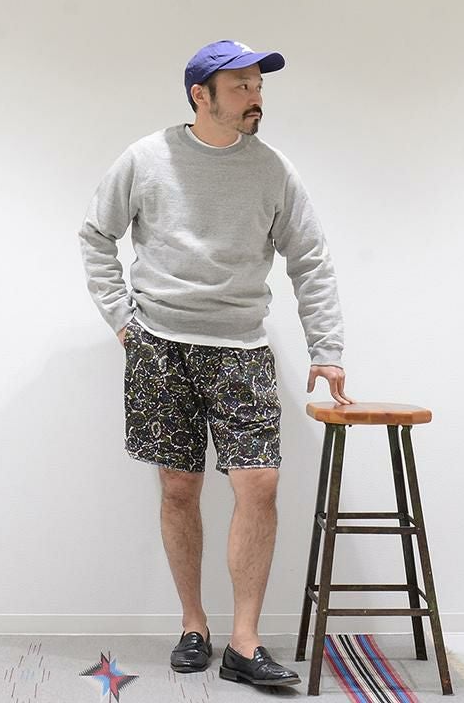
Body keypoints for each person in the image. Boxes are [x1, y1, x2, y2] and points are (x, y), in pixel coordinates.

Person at [77, 39, 353, 688]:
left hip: (241, 350)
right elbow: (96, 234)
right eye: (242, 87)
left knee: (259, 484)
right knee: (180, 487)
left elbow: (309, 259)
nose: (256, 98)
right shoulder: (146, 159)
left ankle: (244, 643)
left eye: (258, 86)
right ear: (200, 95)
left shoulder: (273, 169)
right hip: (160, 345)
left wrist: (327, 348)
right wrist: (122, 319)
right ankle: (194, 625)